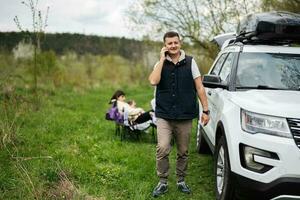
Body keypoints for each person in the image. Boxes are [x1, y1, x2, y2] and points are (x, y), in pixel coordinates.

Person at [148, 31, 210, 197]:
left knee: (183, 151)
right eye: (169, 44)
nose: (173, 46)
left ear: (180, 43)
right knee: (162, 148)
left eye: (175, 42)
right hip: (164, 115)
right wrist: (162, 59)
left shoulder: (191, 62)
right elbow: (153, 81)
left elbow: (199, 87)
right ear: (165, 46)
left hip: (184, 115)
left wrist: (206, 110)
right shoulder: (159, 64)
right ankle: (162, 182)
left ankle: (181, 180)